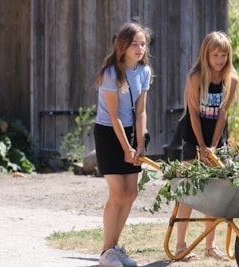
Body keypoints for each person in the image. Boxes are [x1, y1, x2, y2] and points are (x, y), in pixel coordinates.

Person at [175, 31, 239, 262]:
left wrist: (212, 146)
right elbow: (193, 113)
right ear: (206, 54)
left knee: (213, 193)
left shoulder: (231, 79)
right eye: (215, 54)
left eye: (224, 55)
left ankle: (210, 247)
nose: (220, 59)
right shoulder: (195, 78)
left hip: (216, 139)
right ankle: (181, 245)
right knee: (189, 191)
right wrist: (201, 145)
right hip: (194, 136)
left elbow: (223, 113)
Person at [93, 22, 153, 267]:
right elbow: (114, 115)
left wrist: (139, 145)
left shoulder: (145, 71)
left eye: (143, 44)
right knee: (117, 193)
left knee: (131, 193)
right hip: (109, 133)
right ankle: (106, 252)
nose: (140, 48)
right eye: (134, 44)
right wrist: (125, 148)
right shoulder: (110, 73)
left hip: (130, 133)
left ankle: (114, 249)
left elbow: (141, 111)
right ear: (123, 46)